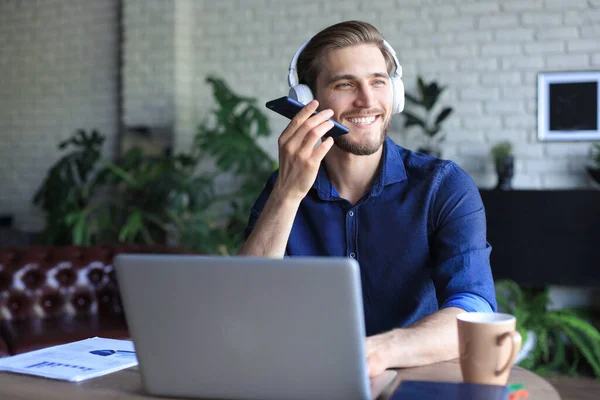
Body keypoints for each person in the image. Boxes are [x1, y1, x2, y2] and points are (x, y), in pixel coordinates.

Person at [239, 20, 497, 377]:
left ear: (395, 92)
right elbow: (246, 304)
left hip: (415, 380)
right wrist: (286, 196)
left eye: (378, 81)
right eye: (344, 84)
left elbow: (475, 308)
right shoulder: (284, 188)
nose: (367, 100)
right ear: (305, 102)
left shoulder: (443, 186)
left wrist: (379, 351)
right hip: (310, 378)